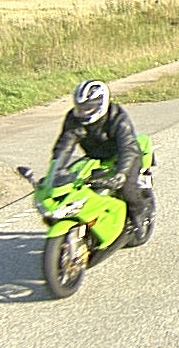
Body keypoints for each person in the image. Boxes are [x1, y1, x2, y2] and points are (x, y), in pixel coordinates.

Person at [50, 79, 150, 239]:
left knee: (127, 188)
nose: (83, 112)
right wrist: (55, 170)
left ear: (101, 104)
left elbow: (127, 147)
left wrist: (121, 174)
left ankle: (139, 215)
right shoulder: (73, 118)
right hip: (94, 157)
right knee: (76, 184)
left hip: (123, 156)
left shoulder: (117, 118)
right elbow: (64, 146)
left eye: (88, 108)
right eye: (80, 107)